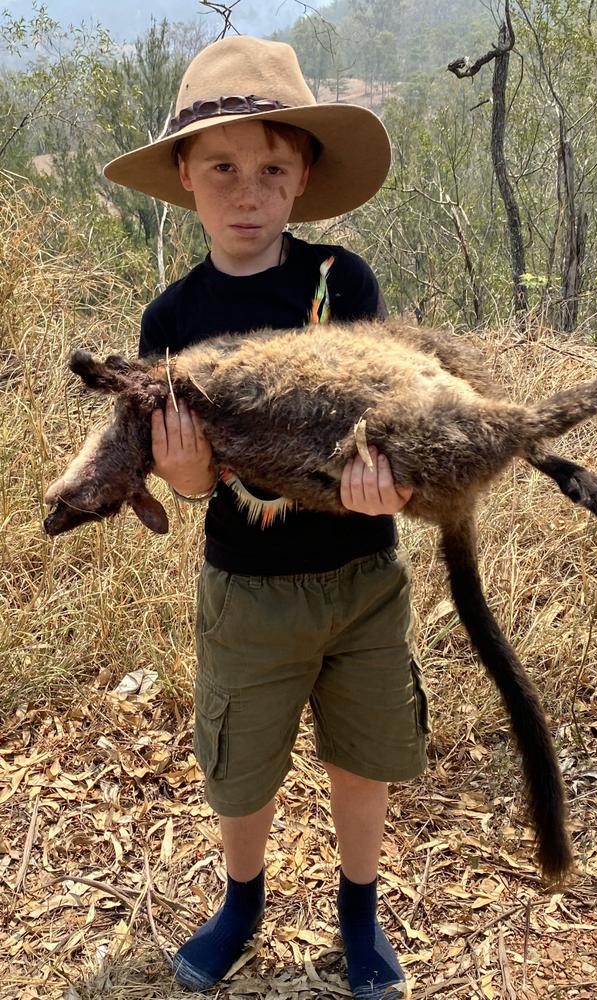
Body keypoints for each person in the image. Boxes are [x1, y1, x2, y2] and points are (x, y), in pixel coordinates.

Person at [104, 35, 429, 998]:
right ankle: (241, 903)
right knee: (241, 763)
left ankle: (358, 915)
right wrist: (190, 480)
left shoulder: (343, 284)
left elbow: (388, 415)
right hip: (244, 592)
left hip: (366, 577)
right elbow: (192, 486)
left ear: (302, 180)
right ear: (185, 178)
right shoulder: (169, 321)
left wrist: (393, 485)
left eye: (271, 169)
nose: (247, 192)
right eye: (223, 169)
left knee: (360, 757)